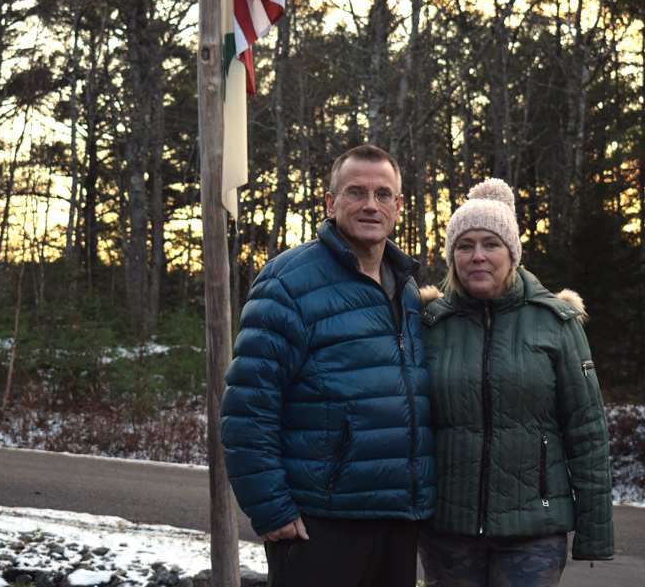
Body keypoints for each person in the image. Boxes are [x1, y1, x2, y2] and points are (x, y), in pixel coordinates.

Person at [220, 145, 436, 587]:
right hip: (321, 520)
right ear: (331, 202)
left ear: (398, 205)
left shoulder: (409, 290)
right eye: (356, 192)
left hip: (398, 517)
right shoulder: (288, 282)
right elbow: (248, 407)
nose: (370, 204)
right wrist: (271, 508)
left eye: (383, 194)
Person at [418, 178, 614, 587]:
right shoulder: (430, 323)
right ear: (452, 255)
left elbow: (586, 430)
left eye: (491, 243)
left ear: (512, 252)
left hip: (534, 529)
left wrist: (596, 532)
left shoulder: (556, 322)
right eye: (465, 245)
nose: (478, 256)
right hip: (448, 528)